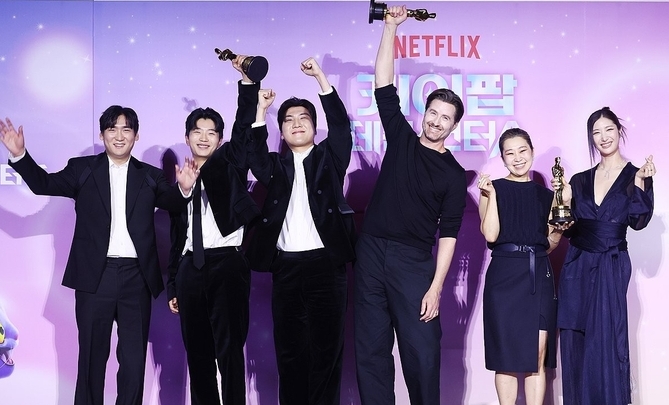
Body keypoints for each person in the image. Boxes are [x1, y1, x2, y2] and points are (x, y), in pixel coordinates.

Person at [0, 108, 197, 405]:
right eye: (112, 129)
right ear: (102, 134)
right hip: (95, 277)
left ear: (136, 136)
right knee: (91, 360)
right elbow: (44, 184)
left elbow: (173, 202)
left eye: (126, 129)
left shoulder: (150, 175)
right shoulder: (83, 169)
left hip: (136, 278)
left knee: (133, 363)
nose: (119, 136)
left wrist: (184, 189)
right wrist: (20, 155)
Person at [353, 5, 467, 404]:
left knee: (422, 354)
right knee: (370, 351)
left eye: (445, 118)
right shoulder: (402, 138)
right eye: (433, 112)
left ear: (454, 126)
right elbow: (384, 84)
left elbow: (449, 235)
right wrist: (390, 27)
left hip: (413, 263)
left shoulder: (454, 175)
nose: (436, 121)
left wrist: (436, 287)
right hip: (370, 252)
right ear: (425, 113)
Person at [246, 57, 356, 405]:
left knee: (327, 355)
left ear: (314, 127)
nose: (296, 123)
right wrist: (261, 110)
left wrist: (321, 78)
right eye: (289, 120)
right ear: (281, 131)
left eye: (303, 118)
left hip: (327, 267)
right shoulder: (275, 166)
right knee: (290, 355)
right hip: (287, 269)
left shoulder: (329, 159)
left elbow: (341, 127)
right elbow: (253, 154)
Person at [165, 56, 260, 405]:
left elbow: (244, 126)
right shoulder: (180, 180)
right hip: (191, 269)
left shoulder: (230, 164)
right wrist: (174, 284)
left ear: (219, 140)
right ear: (187, 137)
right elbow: (177, 239)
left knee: (230, 353)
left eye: (211, 133)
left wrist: (247, 83)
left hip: (227, 265)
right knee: (198, 356)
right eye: (197, 132)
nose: (204, 138)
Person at [555, 107, 655, 405]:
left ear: (619, 131)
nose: (603, 137)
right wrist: (563, 204)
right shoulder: (579, 180)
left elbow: (638, 222)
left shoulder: (634, 175)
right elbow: (568, 229)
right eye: (596, 132)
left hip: (611, 263)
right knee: (575, 338)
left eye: (609, 129)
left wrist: (641, 184)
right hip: (577, 264)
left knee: (608, 338)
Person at [477, 128, 563, 405]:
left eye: (522, 150)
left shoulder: (546, 195)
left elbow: (549, 244)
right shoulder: (492, 189)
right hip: (504, 276)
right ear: (502, 158)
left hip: (538, 274)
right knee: (506, 358)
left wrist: (559, 232)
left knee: (537, 354)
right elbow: (491, 235)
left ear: (532, 152)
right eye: (509, 153)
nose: (517, 158)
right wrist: (491, 196)